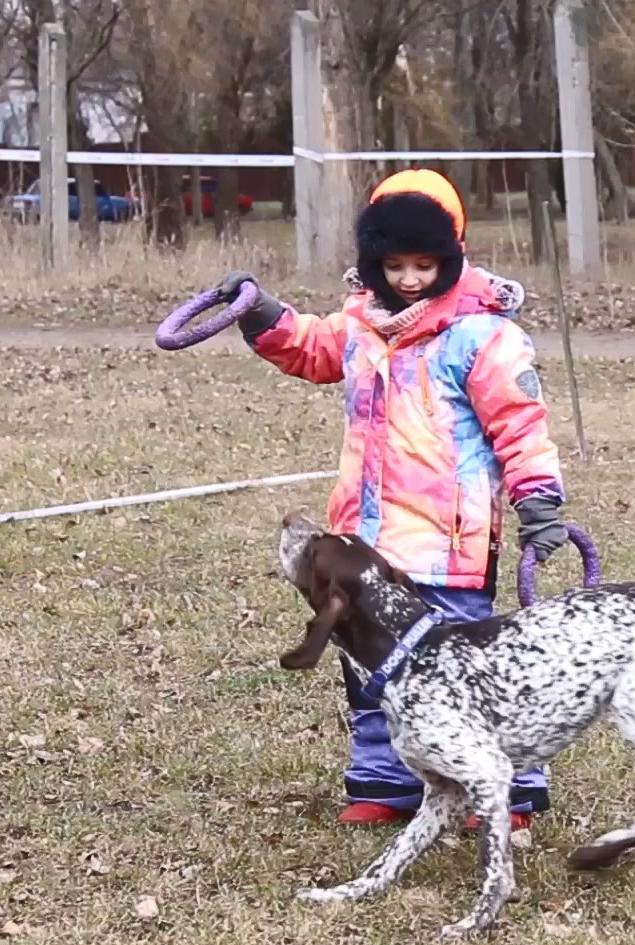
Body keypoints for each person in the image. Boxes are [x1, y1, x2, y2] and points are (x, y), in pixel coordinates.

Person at [215, 169, 568, 830]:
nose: (408, 279)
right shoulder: (360, 323)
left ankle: (507, 791)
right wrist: (262, 314)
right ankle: (387, 782)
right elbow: (312, 348)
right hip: (370, 543)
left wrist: (539, 501)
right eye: (394, 265)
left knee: (466, 674)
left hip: (449, 544)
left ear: (451, 256)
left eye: (424, 265)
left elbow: (520, 425)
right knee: (372, 670)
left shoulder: (483, 336)